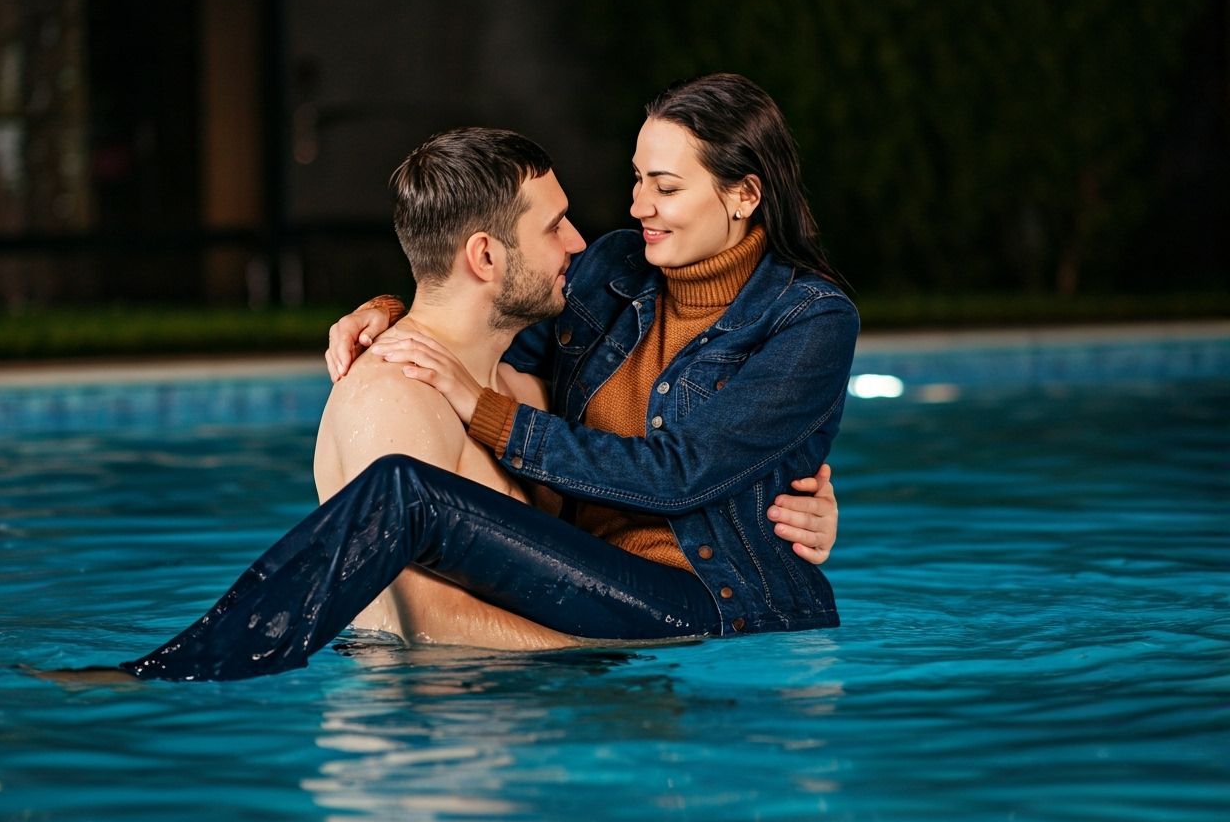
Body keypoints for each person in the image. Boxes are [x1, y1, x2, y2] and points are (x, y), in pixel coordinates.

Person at [122, 73, 856, 681]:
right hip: (601, 575)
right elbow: (497, 334)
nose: (635, 208)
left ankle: (186, 672)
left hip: (710, 604)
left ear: (744, 195)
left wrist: (483, 410)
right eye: (636, 179)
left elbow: (678, 476)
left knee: (406, 494)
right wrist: (394, 315)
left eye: (664, 187)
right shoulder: (616, 268)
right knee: (405, 492)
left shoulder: (810, 320)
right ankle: (206, 663)